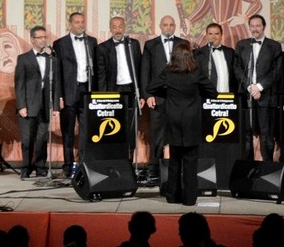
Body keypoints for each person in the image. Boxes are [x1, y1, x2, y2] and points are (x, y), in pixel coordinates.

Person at [147, 43, 215, 206]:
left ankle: (172, 197)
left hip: (174, 120)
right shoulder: (196, 72)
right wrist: (197, 94)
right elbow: (213, 92)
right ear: (190, 56)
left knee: (174, 160)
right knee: (191, 161)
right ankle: (190, 199)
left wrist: (168, 93)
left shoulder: (168, 73)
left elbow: (151, 87)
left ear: (174, 57)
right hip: (192, 121)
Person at [140, 16, 189, 183]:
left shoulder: (183, 43)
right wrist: (147, 95)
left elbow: (188, 70)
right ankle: (153, 169)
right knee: (157, 135)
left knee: (178, 133)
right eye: (165, 25)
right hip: (158, 97)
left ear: (175, 26)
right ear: (160, 26)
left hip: (178, 97)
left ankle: (179, 168)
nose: (168, 27)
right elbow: (145, 71)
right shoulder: (150, 45)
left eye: (171, 25)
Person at [53, 12, 98, 177]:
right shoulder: (60, 43)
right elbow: (57, 72)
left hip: (86, 90)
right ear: (70, 24)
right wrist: (59, 96)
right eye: (77, 22)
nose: (80, 25)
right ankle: (68, 164)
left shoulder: (91, 41)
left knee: (86, 130)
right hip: (69, 92)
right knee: (68, 131)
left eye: (82, 22)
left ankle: (84, 163)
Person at [234, 14, 283, 161]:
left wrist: (259, 87)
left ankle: (267, 168)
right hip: (246, 96)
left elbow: (277, 71)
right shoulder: (241, 45)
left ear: (264, 27)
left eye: (258, 26)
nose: (255, 29)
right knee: (246, 135)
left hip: (266, 97)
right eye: (252, 26)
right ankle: (247, 167)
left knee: (266, 135)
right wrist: (250, 87)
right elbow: (237, 68)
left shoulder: (274, 46)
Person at [95, 16, 143, 162]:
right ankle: (114, 160)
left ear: (124, 27)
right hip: (114, 91)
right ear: (110, 29)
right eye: (114, 27)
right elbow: (101, 75)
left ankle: (129, 161)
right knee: (114, 126)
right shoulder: (102, 48)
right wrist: (104, 97)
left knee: (131, 128)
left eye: (120, 26)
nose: (118, 30)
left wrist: (141, 94)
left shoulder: (133, 44)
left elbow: (140, 70)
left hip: (131, 91)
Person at [14, 25, 59, 179]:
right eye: (40, 37)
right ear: (32, 39)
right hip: (28, 105)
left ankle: (40, 167)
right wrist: (21, 105)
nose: (43, 40)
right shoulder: (23, 58)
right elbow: (19, 83)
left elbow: (55, 84)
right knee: (27, 140)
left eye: (45, 37)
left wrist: (56, 106)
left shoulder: (52, 59)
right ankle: (26, 168)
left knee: (42, 139)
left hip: (45, 105)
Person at [193, 23, 237, 94]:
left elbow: (235, 75)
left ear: (221, 35)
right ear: (206, 36)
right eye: (210, 34)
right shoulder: (198, 54)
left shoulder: (230, 52)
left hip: (228, 96)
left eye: (216, 34)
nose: (213, 37)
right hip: (206, 96)